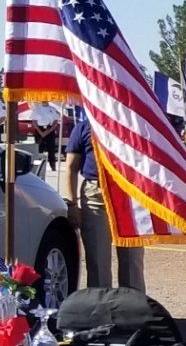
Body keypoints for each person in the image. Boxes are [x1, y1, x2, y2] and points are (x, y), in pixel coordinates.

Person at [62, 113, 146, 291]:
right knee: (97, 258)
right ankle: (102, 310)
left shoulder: (133, 126)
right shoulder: (84, 128)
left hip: (129, 193)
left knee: (132, 258)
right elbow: (71, 167)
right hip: (96, 194)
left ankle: (133, 309)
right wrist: (71, 204)